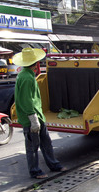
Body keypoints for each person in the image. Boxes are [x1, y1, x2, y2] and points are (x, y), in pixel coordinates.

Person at [13, 48, 66, 179]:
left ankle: (54, 165)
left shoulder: (27, 75)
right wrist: (33, 118)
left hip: (38, 116)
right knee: (32, 147)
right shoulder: (26, 78)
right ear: (36, 63)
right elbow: (26, 100)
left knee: (46, 143)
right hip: (31, 118)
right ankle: (35, 171)